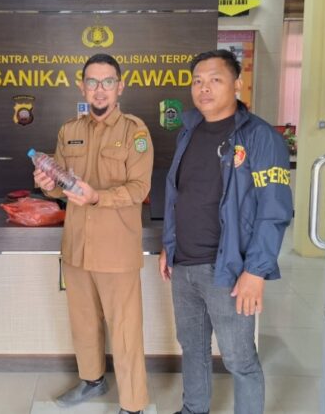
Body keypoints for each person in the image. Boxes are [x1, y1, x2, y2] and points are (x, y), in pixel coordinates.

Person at [159, 49, 293, 414]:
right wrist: (169, 245)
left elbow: (274, 210)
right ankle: (193, 408)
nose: (204, 88)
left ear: (237, 84)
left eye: (215, 80)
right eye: (197, 81)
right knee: (193, 348)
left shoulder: (259, 136)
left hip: (229, 269)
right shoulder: (189, 131)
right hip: (184, 264)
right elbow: (179, 194)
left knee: (239, 359)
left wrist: (256, 271)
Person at [35, 53, 153, 414]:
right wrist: (47, 185)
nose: (100, 90)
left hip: (116, 248)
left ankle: (133, 404)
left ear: (120, 87)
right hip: (77, 246)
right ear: (81, 86)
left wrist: (98, 196)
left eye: (107, 82)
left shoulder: (135, 132)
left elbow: (139, 188)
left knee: (125, 330)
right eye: (92, 81)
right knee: (83, 322)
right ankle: (92, 380)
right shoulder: (69, 131)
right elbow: (61, 188)